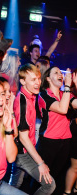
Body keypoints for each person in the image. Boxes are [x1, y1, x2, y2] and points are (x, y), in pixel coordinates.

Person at [12, 64, 55, 194]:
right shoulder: (23, 101)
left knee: (15, 184)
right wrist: (40, 163)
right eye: (33, 80)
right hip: (22, 153)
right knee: (50, 185)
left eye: (38, 78)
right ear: (22, 81)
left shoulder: (31, 97)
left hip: (23, 150)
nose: (37, 83)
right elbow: (23, 138)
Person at [38, 67, 77, 195]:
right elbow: (62, 108)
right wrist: (67, 85)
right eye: (56, 73)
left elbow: (75, 103)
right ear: (48, 78)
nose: (60, 74)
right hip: (49, 143)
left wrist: (75, 84)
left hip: (65, 142)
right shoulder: (44, 95)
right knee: (43, 179)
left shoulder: (66, 94)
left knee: (55, 177)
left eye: (61, 73)